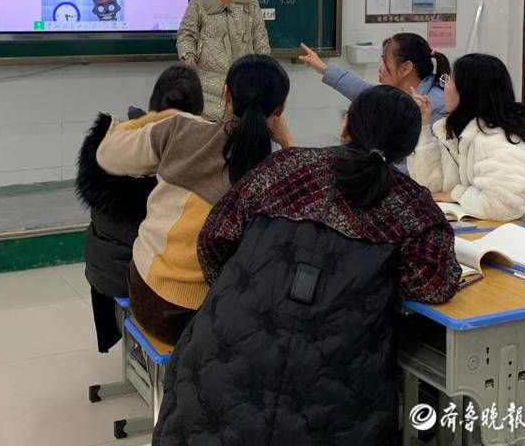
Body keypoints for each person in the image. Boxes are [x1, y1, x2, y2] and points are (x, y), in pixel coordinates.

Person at [152, 85, 461, 445]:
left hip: (213, 369)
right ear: (406, 151)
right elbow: (432, 284)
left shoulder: (283, 167)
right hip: (334, 400)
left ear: (347, 128)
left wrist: (247, 289)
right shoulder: (414, 207)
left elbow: (214, 238)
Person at [96, 55, 291, 344]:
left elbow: (107, 154)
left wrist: (157, 117)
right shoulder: (275, 173)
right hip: (195, 316)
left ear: (226, 94)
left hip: (143, 292)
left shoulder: (180, 130)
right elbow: (312, 199)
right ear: (280, 110)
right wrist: (287, 143)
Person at [74, 65, 203, 352]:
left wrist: (147, 121)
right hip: (142, 279)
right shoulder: (183, 158)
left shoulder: (113, 139)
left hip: (101, 268)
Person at [408, 53, 525, 237]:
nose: (446, 86)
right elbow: (433, 186)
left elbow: (502, 205)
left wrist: (456, 194)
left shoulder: (494, 140)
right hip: (514, 236)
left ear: (467, 93)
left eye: (450, 80)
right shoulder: (461, 131)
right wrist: (424, 127)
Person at [176, 0, 271, 120]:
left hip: (245, 83)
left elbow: (260, 37)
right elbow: (186, 33)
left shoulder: (249, 2)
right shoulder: (199, 1)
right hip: (207, 86)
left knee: (242, 136)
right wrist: (188, 55)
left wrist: (265, 71)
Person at [299, 32, 451, 124]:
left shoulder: (435, 106)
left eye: (385, 62)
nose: (380, 69)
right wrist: (322, 68)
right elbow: (365, 92)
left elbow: (414, 166)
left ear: (406, 68)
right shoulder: (404, 97)